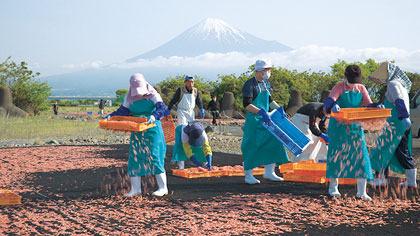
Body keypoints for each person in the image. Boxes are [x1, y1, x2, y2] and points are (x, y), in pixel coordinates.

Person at [323, 65, 384, 201]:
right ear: (345, 77)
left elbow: (368, 103)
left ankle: (361, 192)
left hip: (355, 125)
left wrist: (376, 106)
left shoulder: (361, 88)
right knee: (336, 155)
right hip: (338, 126)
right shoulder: (338, 87)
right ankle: (333, 188)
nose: (353, 84)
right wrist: (333, 105)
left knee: (361, 156)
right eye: (351, 81)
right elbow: (328, 101)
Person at [107, 73, 168, 197]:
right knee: (135, 157)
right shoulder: (129, 97)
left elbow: (162, 108)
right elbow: (123, 111)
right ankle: (135, 189)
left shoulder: (153, 94)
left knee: (154, 156)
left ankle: (163, 188)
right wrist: (111, 116)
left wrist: (153, 116)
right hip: (137, 130)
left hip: (152, 130)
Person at [241, 59, 290, 185]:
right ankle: (248, 175)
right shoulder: (249, 85)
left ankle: (269, 172)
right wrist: (260, 112)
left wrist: (279, 109)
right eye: (267, 70)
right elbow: (247, 104)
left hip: (267, 119)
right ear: (259, 70)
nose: (268, 72)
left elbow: (270, 100)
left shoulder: (265, 83)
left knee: (274, 142)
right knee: (251, 145)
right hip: (254, 120)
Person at [368, 62, 417, 188]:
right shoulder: (401, 84)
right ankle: (411, 181)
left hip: (395, 124)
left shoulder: (393, 84)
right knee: (402, 151)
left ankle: (381, 178)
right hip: (402, 124)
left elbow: (399, 100)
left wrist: (404, 117)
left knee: (382, 149)